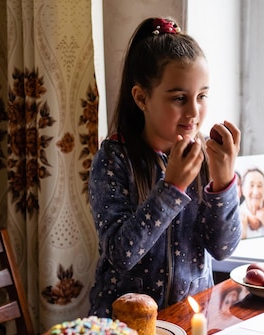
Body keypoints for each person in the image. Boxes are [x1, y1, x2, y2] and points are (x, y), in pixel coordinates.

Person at [88, 17, 242, 316]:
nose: (194, 112)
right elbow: (121, 254)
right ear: (141, 97)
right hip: (125, 328)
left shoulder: (208, 156)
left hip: (190, 320)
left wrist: (223, 184)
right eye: (179, 98)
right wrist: (171, 189)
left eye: (202, 96)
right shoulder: (114, 158)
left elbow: (223, 249)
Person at [239, 168, 264, 238]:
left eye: (260, 186)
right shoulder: (237, 216)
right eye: (251, 185)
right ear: (243, 190)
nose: (256, 191)